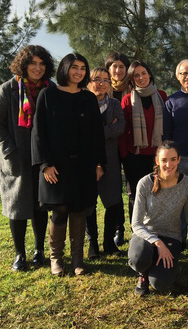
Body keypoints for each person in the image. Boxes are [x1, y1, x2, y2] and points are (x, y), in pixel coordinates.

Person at [31, 53, 106, 276]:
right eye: (74, 67)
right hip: (56, 166)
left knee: (79, 209)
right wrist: (45, 164)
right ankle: (56, 259)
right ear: (65, 68)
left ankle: (77, 260)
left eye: (83, 68)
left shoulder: (89, 98)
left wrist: (100, 163)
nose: (79, 72)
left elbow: (97, 135)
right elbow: (38, 133)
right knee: (60, 210)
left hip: (83, 165)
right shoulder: (48, 95)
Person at [0, 45, 55, 271]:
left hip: (42, 158)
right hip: (15, 159)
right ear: (23, 64)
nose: (37, 68)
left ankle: (39, 251)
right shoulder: (7, 89)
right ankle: (20, 254)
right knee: (16, 207)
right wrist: (10, 150)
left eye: (42, 63)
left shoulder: (50, 88)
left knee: (40, 205)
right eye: (32, 63)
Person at [128, 141, 188, 296]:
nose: (168, 164)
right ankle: (142, 274)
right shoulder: (145, 183)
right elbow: (136, 224)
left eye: (172, 159)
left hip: (171, 237)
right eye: (164, 160)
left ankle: (157, 268)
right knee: (139, 258)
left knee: (161, 283)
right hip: (145, 234)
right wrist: (157, 242)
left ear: (179, 160)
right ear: (157, 161)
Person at [118, 60, 168, 233]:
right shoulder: (127, 100)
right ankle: (137, 232)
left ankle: (158, 230)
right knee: (138, 197)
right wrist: (126, 156)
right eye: (136, 75)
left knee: (159, 194)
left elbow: (167, 126)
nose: (141, 77)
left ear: (150, 74)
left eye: (143, 73)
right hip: (135, 156)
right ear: (132, 80)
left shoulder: (162, 96)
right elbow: (123, 132)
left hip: (158, 157)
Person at [85, 68, 125, 258]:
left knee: (114, 203)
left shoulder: (115, 103)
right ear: (88, 82)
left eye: (105, 80)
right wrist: (107, 129)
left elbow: (120, 127)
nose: (101, 83)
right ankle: (92, 244)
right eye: (97, 79)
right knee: (88, 203)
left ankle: (109, 242)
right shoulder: (82, 103)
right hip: (87, 162)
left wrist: (96, 132)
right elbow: (79, 132)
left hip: (111, 160)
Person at [104, 52, 132, 246]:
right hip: (109, 146)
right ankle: (118, 228)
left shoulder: (134, 88)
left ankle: (135, 228)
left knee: (132, 190)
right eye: (114, 66)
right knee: (114, 189)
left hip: (130, 144)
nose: (118, 70)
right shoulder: (103, 90)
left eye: (122, 66)